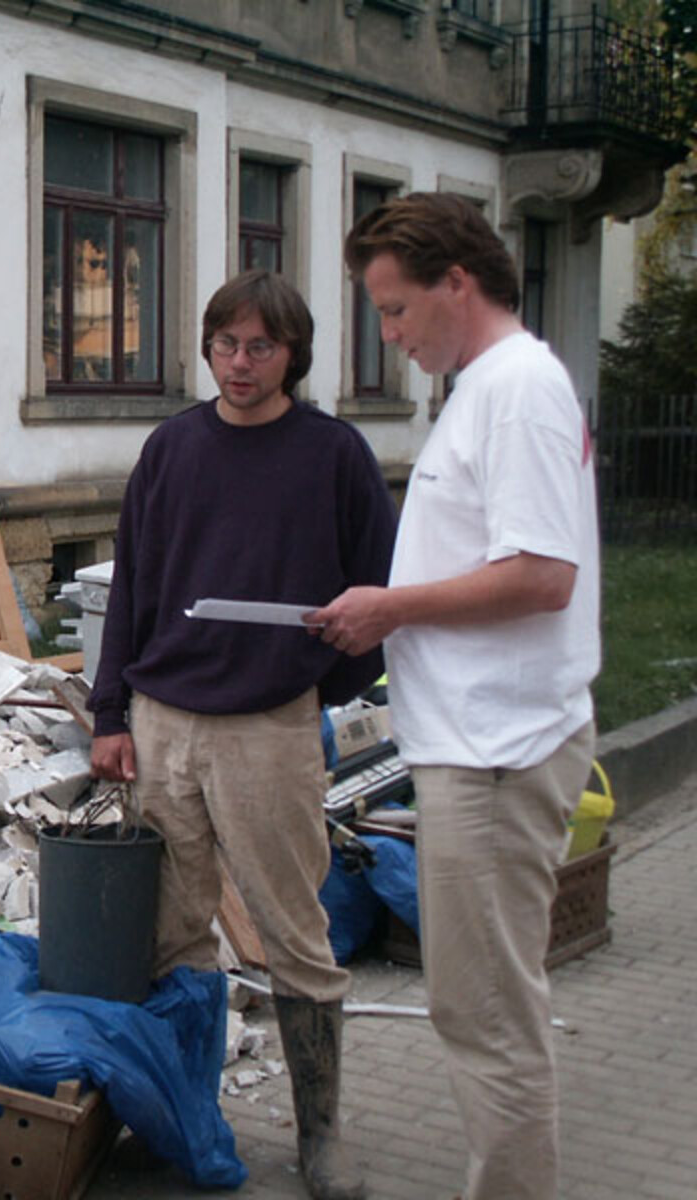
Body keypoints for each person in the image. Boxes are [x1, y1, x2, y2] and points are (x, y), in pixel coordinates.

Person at [309, 193, 598, 1200]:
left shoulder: (516, 387)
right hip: (479, 743)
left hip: (500, 750)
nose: (387, 335)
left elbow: (541, 575)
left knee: (485, 1014)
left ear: (456, 283)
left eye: (395, 310)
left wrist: (392, 608)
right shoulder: (488, 387)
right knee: (477, 1008)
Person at [89, 270, 396, 1200]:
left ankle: (321, 1139)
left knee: (293, 931)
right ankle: (183, 1117)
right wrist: (110, 714)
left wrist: (312, 688)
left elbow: (372, 596)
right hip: (166, 724)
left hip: (269, 731)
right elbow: (133, 588)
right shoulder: (173, 448)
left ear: (293, 352)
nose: (240, 364)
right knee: (174, 937)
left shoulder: (334, 456)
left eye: (260, 347)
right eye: (225, 344)